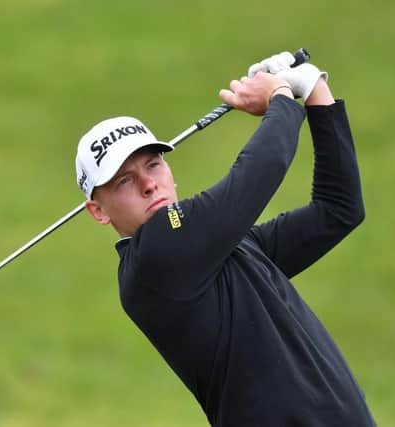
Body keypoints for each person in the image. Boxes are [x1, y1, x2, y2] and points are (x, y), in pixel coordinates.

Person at [75, 52, 376, 426]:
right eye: (124, 181)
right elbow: (258, 172)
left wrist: (315, 88)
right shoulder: (155, 256)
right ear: (98, 211)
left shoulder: (226, 250)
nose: (148, 184)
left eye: (153, 164)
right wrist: (280, 95)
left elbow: (338, 209)